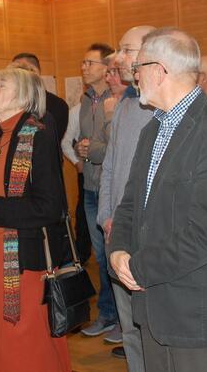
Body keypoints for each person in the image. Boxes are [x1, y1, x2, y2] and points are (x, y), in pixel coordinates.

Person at [108, 27, 207, 371]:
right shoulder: (152, 129)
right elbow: (130, 206)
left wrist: (138, 267)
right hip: (151, 305)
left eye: (138, 67)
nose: (134, 76)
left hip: (191, 312)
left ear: (159, 71)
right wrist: (118, 252)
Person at [0, 67, 71, 372]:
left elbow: (49, 207)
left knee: (25, 341)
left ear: (23, 96)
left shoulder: (37, 135)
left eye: (1, 85)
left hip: (24, 258)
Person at [97, 25, 155, 367]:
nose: (118, 58)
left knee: (150, 326)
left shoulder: (162, 108)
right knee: (130, 327)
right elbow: (110, 167)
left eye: (127, 50)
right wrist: (105, 215)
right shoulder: (124, 106)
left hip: (145, 238)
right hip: (115, 233)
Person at [76, 42, 120, 339]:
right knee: (100, 257)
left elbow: (114, 147)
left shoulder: (117, 100)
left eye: (90, 63)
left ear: (107, 68)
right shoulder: (86, 99)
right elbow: (87, 141)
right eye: (83, 63)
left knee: (113, 256)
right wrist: (81, 148)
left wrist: (91, 151)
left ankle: (119, 319)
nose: (84, 68)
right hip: (90, 186)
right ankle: (107, 315)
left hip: (111, 190)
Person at [60, 101, 91, 265]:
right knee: (84, 215)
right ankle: (81, 256)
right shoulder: (77, 110)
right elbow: (65, 142)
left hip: (108, 173)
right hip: (86, 172)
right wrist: (77, 163)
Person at [11, 52, 69, 142]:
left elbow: (49, 142)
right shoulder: (9, 103)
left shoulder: (57, 105)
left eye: (19, 72)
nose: (14, 77)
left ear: (34, 73)